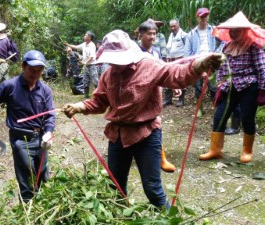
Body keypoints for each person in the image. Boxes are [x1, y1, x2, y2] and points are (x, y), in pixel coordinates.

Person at [63, 30, 222, 207]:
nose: (114, 64)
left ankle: (169, 220)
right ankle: (120, 218)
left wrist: (199, 65)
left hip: (146, 134)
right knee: (115, 187)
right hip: (118, 136)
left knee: (153, 190)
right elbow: (100, 101)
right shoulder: (108, 75)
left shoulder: (149, 65)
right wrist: (79, 107)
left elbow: (177, 75)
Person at [0, 50, 56, 203]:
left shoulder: (45, 90)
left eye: (39, 71)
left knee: (42, 173)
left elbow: (50, 114)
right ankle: (27, 208)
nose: (35, 74)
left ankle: (42, 204)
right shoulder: (10, 86)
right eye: (32, 70)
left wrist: (48, 132)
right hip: (20, 138)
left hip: (40, 137)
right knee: (26, 174)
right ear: (23, 66)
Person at [199, 11, 265, 163]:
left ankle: (247, 151)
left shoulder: (253, 47)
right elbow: (220, 65)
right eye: (231, 30)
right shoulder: (226, 46)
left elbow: (262, 69)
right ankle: (215, 150)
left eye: (237, 30)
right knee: (219, 115)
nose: (233, 33)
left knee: (247, 117)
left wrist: (262, 90)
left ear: (244, 31)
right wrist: (220, 84)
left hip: (249, 86)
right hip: (229, 87)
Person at [138, 20, 176, 173]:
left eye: (154, 34)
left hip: (155, 94)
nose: (152, 37)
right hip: (141, 95)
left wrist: (174, 86)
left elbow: (162, 72)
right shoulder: (136, 53)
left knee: (155, 124)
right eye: (149, 34)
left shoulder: (156, 51)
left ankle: (160, 157)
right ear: (141, 35)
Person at [184, 8, 219, 117]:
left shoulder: (214, 30)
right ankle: (200, 109)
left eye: (206, 16)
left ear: (208, 17)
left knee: (213, 87)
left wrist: (216, 52)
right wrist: (193, 64)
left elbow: (224, 42)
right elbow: (187, 53)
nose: (204, 18)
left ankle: (216, 110)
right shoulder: (191, 34)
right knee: (198, 88)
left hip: (211, 63)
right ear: (197, 18)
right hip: (198, 64)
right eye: (201, 16)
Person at [66, 31, 99, 99]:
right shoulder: (84, 44)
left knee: (95, 81)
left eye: (86, 35)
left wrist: (85, 62)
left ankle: (98, 96)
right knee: (85, 82)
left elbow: (92, 56)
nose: (84, 36)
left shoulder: (92, 45)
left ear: (89, 38)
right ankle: (86, 97)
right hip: (86, 66)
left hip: (92, 66)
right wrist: (68, 44)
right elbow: (76, 47)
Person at [164, 19, 188, 107]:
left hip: (180, 61)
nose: (172, 28)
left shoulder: (184, 35)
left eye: (174, 26)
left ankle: (180, 100)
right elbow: (168, 49)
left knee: (181, 79)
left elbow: (188, 48)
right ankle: (168, 99)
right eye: (171, 26)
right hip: (171, 61)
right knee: (169, 79)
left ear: (178, 25)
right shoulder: (170, 36)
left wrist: (186, 62)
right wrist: (167, 60)